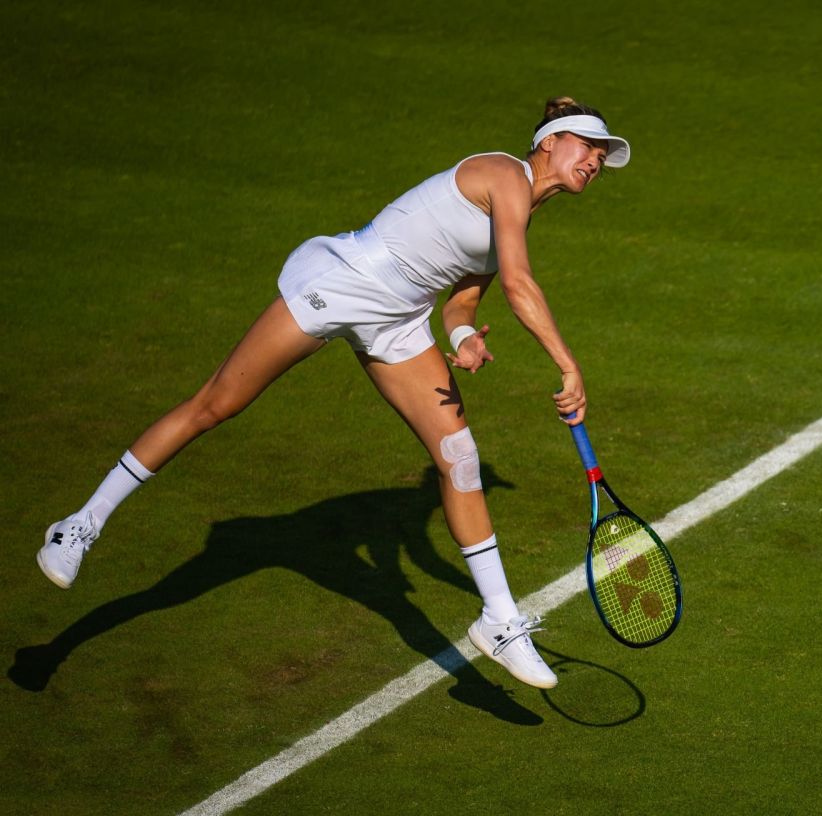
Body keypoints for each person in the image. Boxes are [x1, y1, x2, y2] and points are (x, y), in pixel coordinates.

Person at [35, 96, 631, 690]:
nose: (595, 161)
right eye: (588, 146)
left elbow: (464, 296)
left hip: (400, 320)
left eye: (602, 155)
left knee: (460, 458)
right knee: (216, 403)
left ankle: (499, 620)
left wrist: (466, 335)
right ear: (549, 140)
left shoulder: (521, 213)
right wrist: (567, 364)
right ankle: (80, 524)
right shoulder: (504, 173)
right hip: (349, 281)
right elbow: (521, 281)